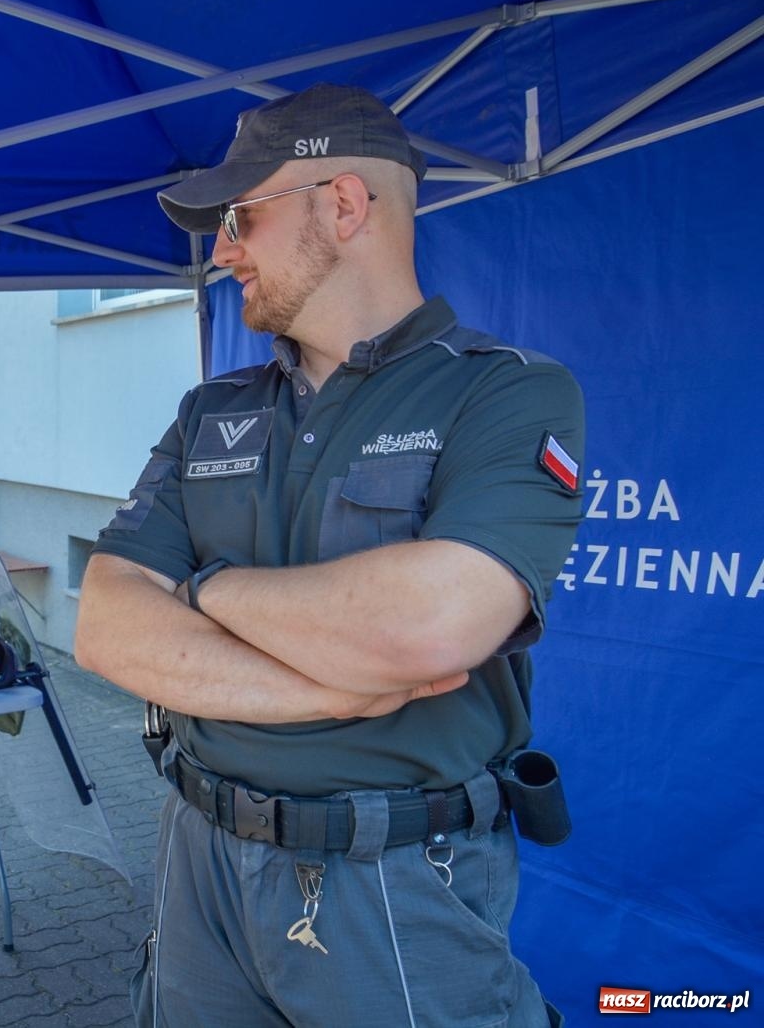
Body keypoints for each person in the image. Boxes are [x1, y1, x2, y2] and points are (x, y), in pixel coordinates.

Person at [73, 84, 585, 1027]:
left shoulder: (504, 395)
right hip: (199, 860)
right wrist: (330, 689)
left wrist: (206, 586)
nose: (221, 249)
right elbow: (105, 627)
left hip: (391, 882)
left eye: (240, 217)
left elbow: (433, 626)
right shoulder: (212, 410)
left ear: (343, 205)